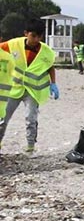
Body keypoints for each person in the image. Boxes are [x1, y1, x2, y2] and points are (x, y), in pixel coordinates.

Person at [0, 21, 59, 154]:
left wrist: (53, 83)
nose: (36, 40)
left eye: (39, 37)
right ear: (26, 33)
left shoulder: (46, 51)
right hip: (14, 88)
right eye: (33, 36)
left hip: (33, 90)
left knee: (30, 119)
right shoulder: (14, 44)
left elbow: (50, 67)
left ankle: (30, 147)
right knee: (3, 118)